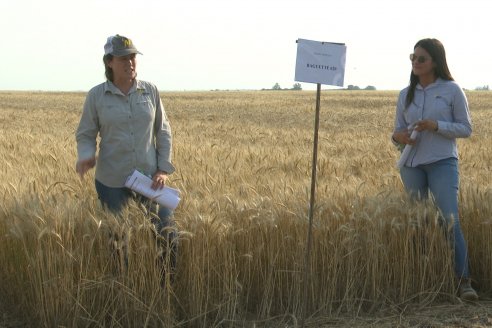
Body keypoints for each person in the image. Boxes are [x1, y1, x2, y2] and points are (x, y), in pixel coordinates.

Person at [75, 34, 177, 274]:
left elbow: (163, 131)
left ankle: (167, 289)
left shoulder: (149, 91)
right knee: (119, 243)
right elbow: (85, 133)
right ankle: (123, 293)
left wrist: (162, 169)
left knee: (167, 233)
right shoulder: (97, 96)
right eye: (123, 58)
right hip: (112, 181)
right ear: (109, 62)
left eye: (132, 57)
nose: (129, 63)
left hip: (149, 179)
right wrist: (86, 155)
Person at [392, 38, 478, 301]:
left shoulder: (452, 90)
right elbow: (395, 132)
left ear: (435, 62)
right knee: (418, 223)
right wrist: (400, 137)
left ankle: (464, 282)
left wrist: (436, 125)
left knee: (449, 220)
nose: (415, 63)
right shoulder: (405, 94)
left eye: (421, 58)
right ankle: (424, 280)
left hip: (442, 161)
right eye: (413, 57)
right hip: (412, 165)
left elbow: (466, 128)